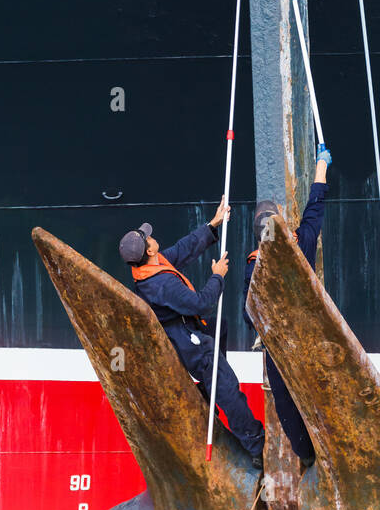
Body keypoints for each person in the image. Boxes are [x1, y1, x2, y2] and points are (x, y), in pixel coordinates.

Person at [119, 198, 265, 469]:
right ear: (148, 251)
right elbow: (201, 303)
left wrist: (213, 225)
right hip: (187, 342)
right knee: (227, 387)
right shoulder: (160, 285)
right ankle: (257, 446)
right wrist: (218, 276)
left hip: (190, 327)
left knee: (218, 327)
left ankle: (208, 392)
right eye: (148, 239)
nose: (152, 238)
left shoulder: (148, 266)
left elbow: (183, 250)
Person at [243, 149, 331, 467]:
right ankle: (327, 446)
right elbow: (314, 211)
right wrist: (321, 166)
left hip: (279, 348)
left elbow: (248, 312)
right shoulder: (301, 246)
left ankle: (307, 456)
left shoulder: (253, 268)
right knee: (317, 389)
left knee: (286, 402)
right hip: (309, 340)